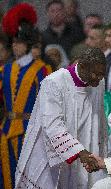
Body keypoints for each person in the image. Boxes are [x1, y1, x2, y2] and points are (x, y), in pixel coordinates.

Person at [15, 48, 108, 189]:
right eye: (96, 74)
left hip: (86, 152)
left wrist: (98, 150)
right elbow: (52, 126)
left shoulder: (98, 83)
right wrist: (78, 151)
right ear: (82, 66)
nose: (100, 78)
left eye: (102, 74)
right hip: (53, 155)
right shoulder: (54, 82)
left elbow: (99, 121)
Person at [0, 3, 52, 189]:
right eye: (13, 42)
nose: (15, 45)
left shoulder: (43, 70)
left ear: (28, 44)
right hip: (6, 130)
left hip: (32, 131)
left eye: (19, 42)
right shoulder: (4, 70)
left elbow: (49, 104)